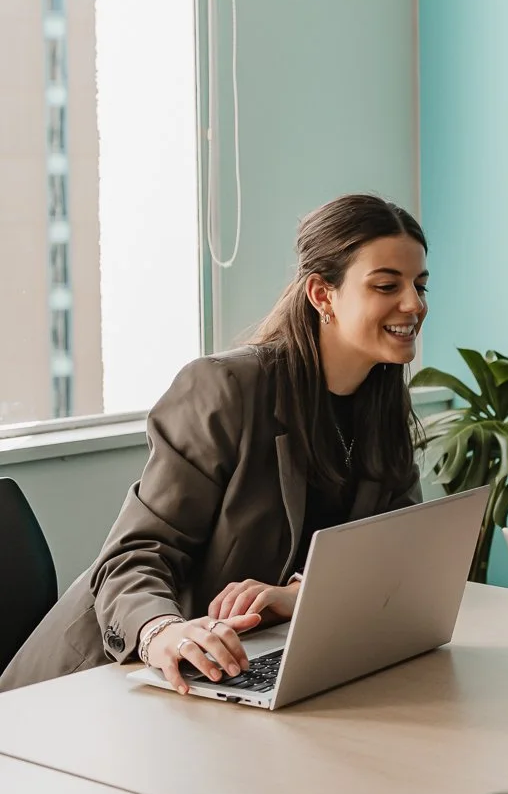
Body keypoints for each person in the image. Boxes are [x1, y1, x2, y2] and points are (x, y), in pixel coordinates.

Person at [0, 194, 430, 694]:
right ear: (322, 295)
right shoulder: (224, 388)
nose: (414, 304)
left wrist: (296, 594)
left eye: (420, 285)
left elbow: (392, 557)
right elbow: (134, 556)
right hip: (102, 681)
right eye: (387, 285)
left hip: (237, 669)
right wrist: (163, 631)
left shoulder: (381, 402)